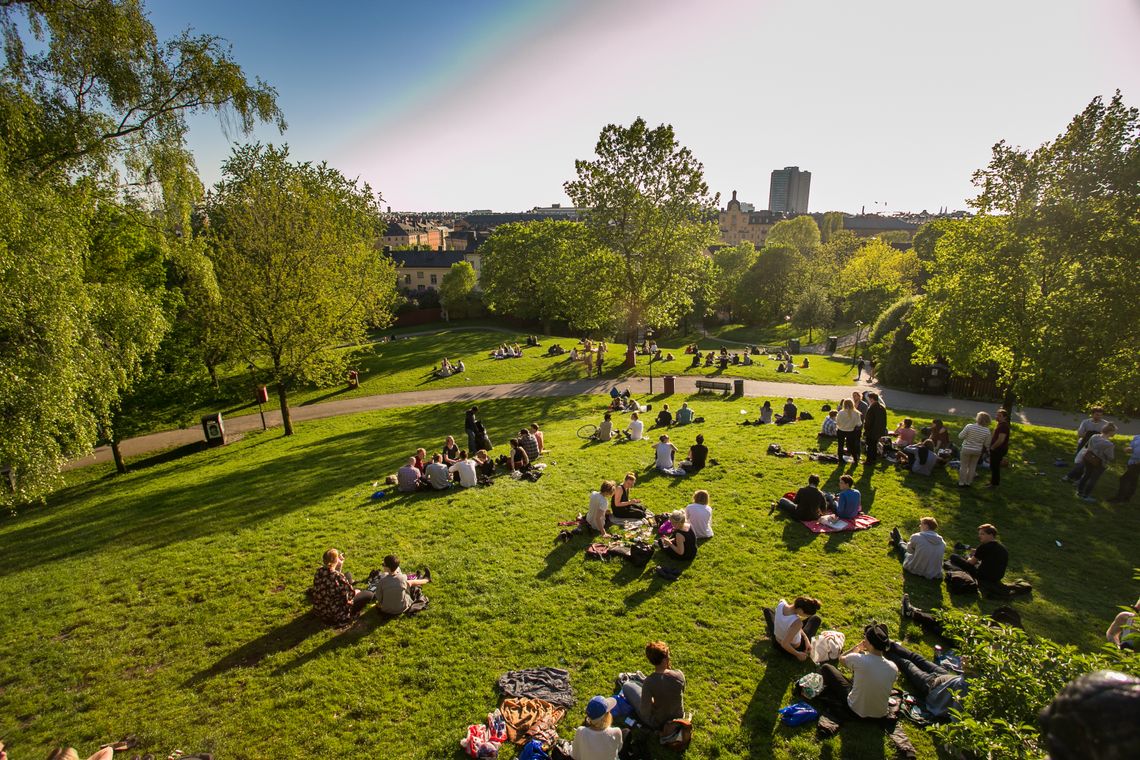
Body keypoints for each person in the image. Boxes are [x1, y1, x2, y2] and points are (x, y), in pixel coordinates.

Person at [819, 624, 899, 720]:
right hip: (880, 714)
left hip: (855, 710)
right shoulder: (893, 667)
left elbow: (841, 658)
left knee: (826, 668)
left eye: (865, 638)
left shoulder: (858, 659)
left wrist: (857, 648)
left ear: (869, 643)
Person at [884, 641, 968, 721]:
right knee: (917, 658)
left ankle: (881, 648)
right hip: (947, 676)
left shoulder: (965, 692)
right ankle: (887, 642)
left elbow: (956, 717)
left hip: (932, 685)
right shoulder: (976, 680)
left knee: (906, 663)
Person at [620, 641, 686, 731]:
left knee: (627, 686)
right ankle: (640, 681)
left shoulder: (650, 682)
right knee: (644, 686)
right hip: (678, 717)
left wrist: (652, 701)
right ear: (664, 659)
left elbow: (645, 711)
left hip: (658, 723)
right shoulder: (679, 674)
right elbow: (678, 692)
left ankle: (634, 681)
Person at [312, 548, 373, 625]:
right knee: (368, 594)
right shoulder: (338, 576)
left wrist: (339, 565)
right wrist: (357, 592)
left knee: (348, 574)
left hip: (321, 607)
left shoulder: (319, 571)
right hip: (335, 612)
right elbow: (351, 594)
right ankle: (350, 613)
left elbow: (335, 581)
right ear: (335, 560)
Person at [764, 596, 822, 662]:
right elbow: (784, 644)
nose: (806, 616)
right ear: (800, 610)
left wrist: (806, 639)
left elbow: (782, 599)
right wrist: (798, 654)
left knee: (768, 610)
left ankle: (780, 624)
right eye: (806, 615)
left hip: (776, 642)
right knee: (816, 619)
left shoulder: (781, 603)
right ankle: (795, 652)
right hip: (791, 648)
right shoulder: (797, 623)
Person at [572, 695, 624, 760]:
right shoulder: (616, 732)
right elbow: (619, 749)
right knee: (626, 732)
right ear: (606, 715)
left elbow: (575, 756)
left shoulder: (581, 732)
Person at [1076, 424, 1117, 502]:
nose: (1115, 433)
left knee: (1086, 474)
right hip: (1099, 463)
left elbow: (1088, 446)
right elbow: (1110, 457)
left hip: (1088, 458)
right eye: (1114, 431)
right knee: (1093, 479)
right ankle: (1085, 496)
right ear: (1110, 432)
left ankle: (1079, 492)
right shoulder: (1109, 444)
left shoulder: (1094, 436)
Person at [957, 411, 992, 487]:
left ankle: (961, 482)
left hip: (966, 448)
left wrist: (968, 437)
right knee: (973, 466)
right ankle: (968, 482)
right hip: (977, 450)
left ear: (978, 418)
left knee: (964, 466)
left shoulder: (969, 426)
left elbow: (960, 436)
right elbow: (987, 444)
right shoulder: (987, 431)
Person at [1108, 433, 1140, 504]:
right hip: (1132, 462)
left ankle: (1119, 498)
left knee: (1124, 479)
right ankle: (1126, 498)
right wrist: (1128, 449)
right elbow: (1132, 448)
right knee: (1133, 480)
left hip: (1137, 464)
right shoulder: (1137, 437)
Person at [987, 409, 1011, 488]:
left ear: (1005, 417)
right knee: (993, 466)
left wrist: (993, 447)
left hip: (998, 449)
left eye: (999, 416)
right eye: (997, 415)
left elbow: (1001, 439)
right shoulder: (1000, 424)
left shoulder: (1003, 426)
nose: (997, 416)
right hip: (997, 449)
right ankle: (993, 482)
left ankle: (994, 484)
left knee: (995, 466)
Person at [862, 392, 887, 463]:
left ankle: (869, 460)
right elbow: (884, 421)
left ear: (872, 399)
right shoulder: (882, 407)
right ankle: (873, 458)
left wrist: (866, 430)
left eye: (869, 399)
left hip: (871, 431)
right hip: (879, 431)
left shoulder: (872, 408)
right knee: (874, 445)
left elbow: (868, 421)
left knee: (870, 446)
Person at [836, 398, 862, 463]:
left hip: (841, 430)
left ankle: (840, 459)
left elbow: (837, 422)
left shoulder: (841, 412)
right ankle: (855, 459)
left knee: (840, 445)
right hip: (851, 431)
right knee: (852, 446)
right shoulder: (856, 413)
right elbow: (859, 424)